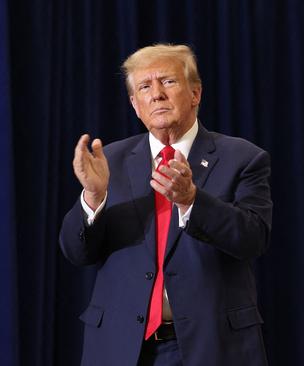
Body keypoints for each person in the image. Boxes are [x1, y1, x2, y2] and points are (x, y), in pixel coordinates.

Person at [59, 44, 272, 366]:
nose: (156, 94)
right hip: (121, 347)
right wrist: (92, 197)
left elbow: (253, 238)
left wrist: (191, 200)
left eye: (168, 82)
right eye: (145, 87)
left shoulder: (242, 158)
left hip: (211, 346)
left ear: (195, 93)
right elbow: (77, 253)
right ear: (135, 105)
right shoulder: (109, 161)